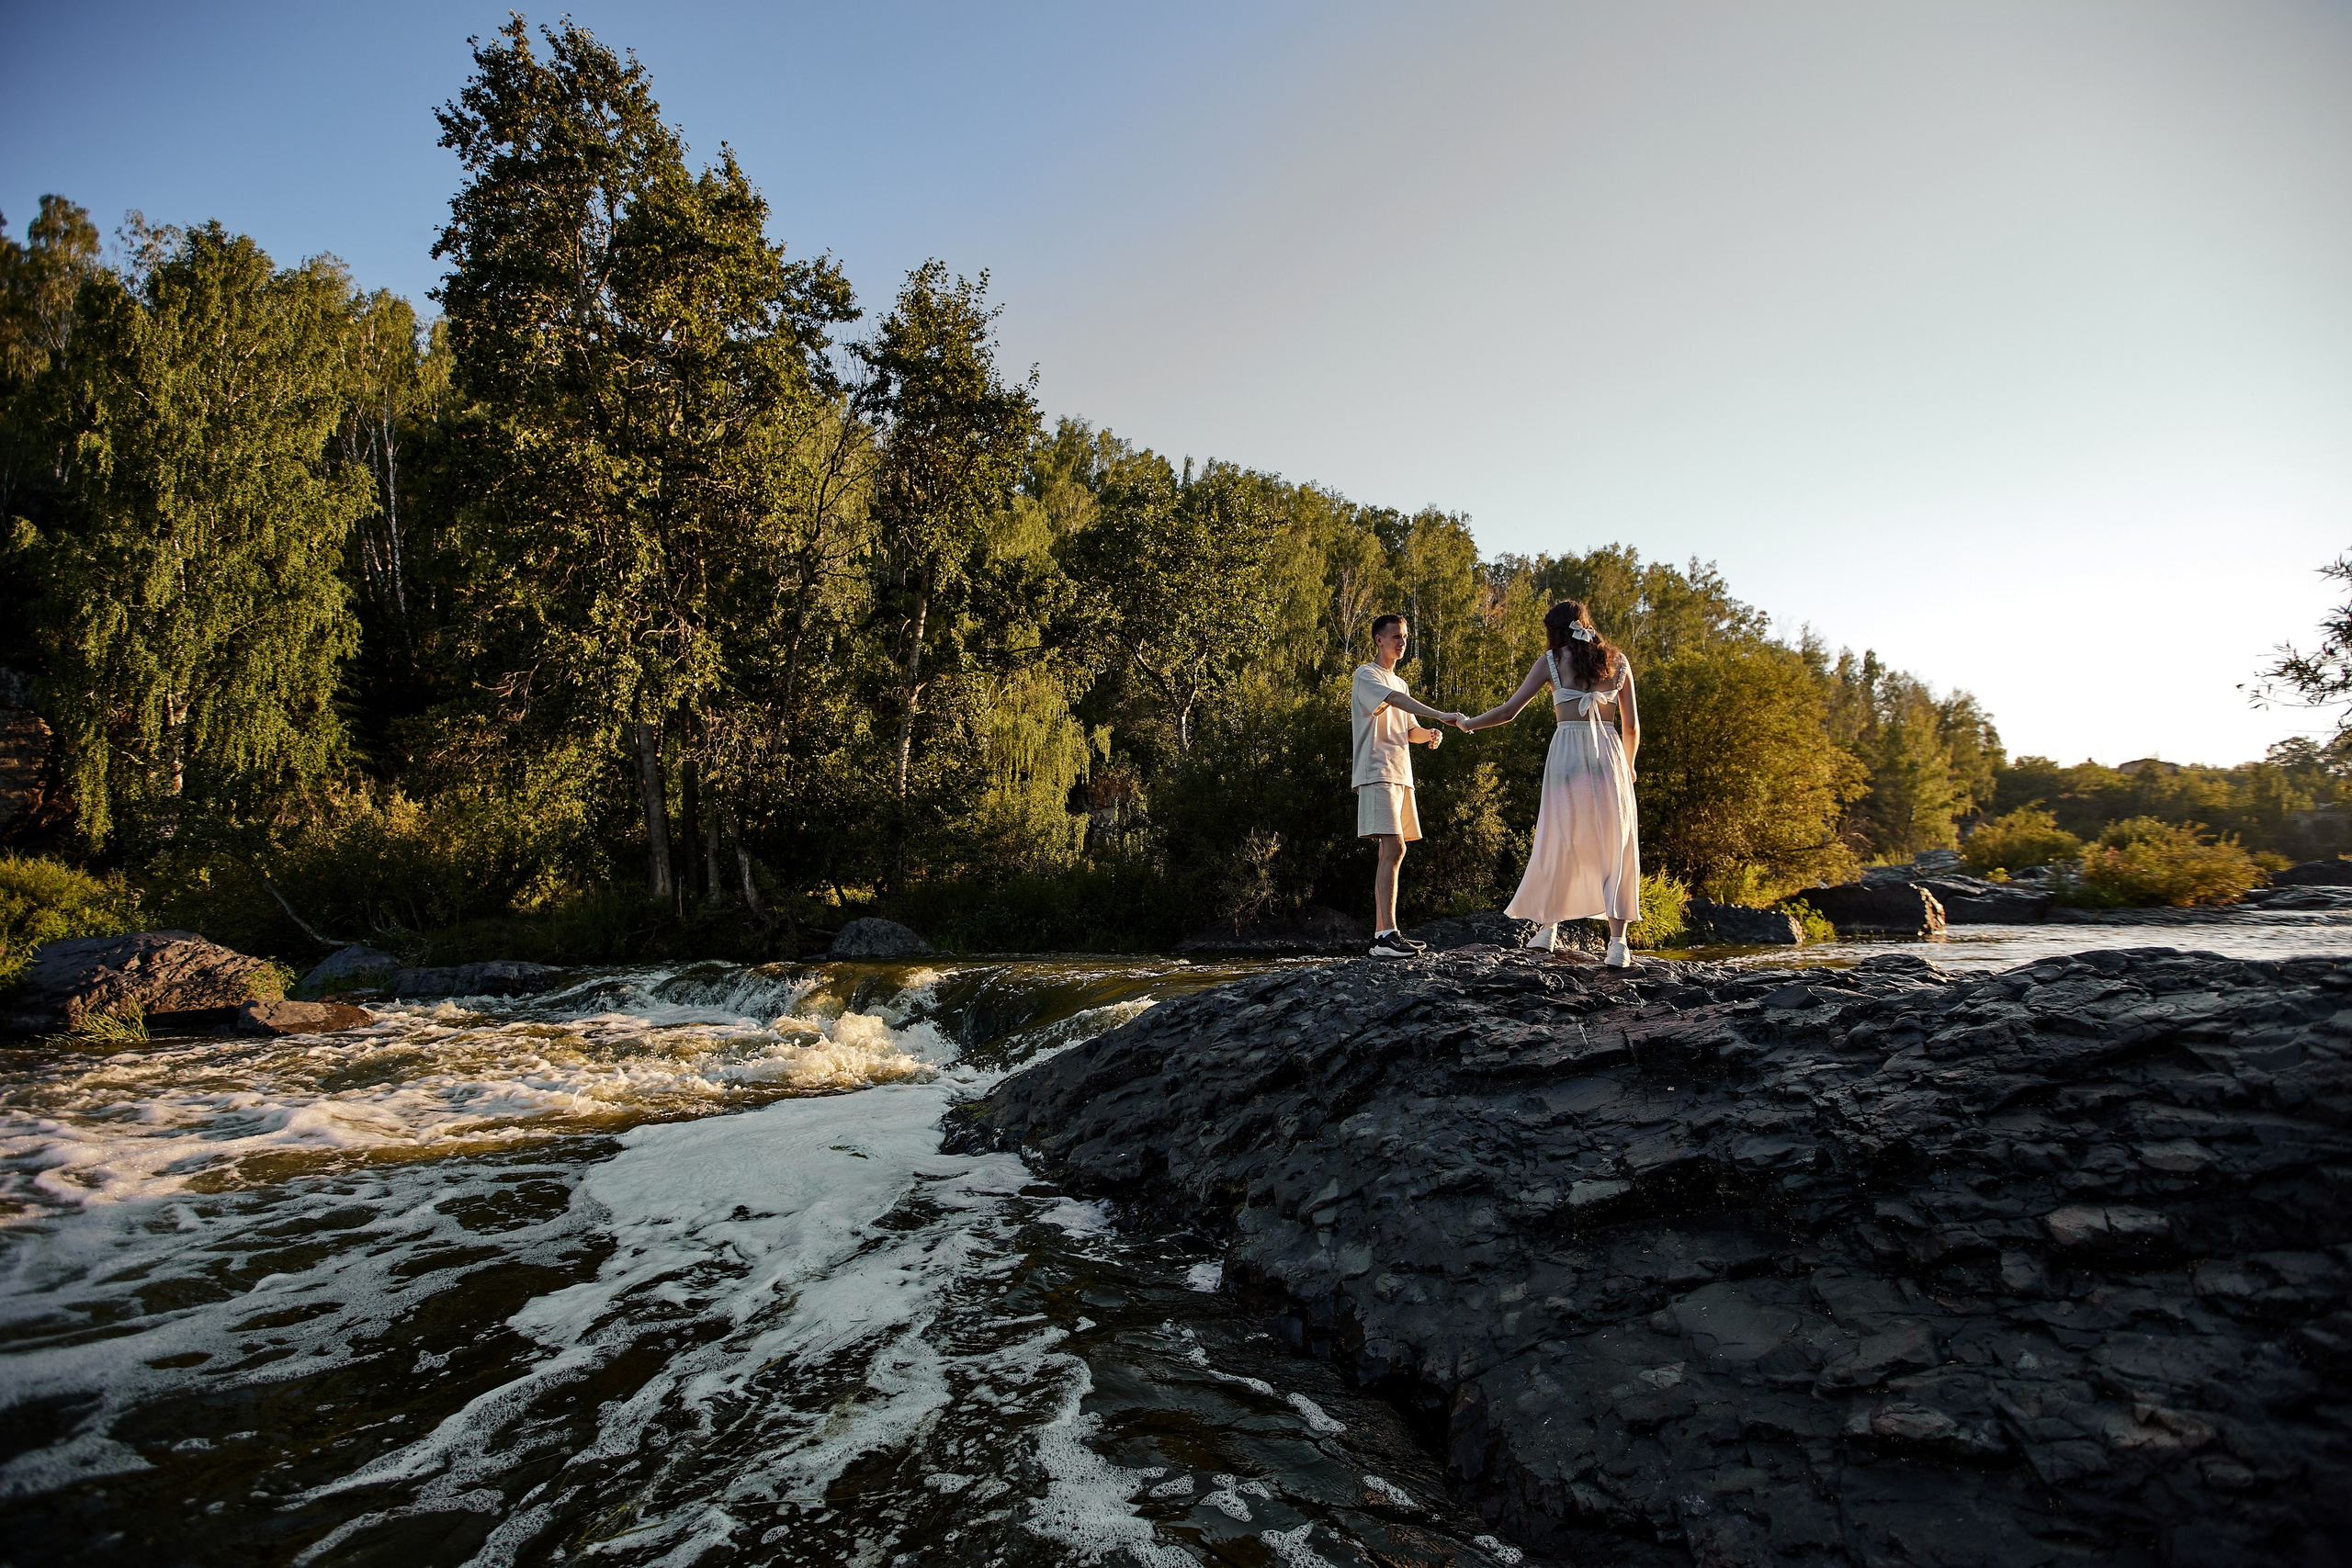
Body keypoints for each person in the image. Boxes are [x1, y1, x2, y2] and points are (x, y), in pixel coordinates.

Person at [1455, 600, 1642, 967]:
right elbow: (1631, 726)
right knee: (1615, 845)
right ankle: (1617, 944)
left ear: (1555, 630)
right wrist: (1630, 767)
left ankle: (1547, 929)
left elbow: (1509, 711)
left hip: (1567, 757)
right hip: (1609, 758)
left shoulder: (1553, 662)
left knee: (1560, 837)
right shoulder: (1618, 661)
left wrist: (1468, 723)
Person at [1351, 614, 1468, 959]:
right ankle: (1386, 936)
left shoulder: (1400, 683)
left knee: (1393, 850)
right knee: (1394, 848)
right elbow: (1396, 702)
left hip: (1401, 775)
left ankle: (1382, 936)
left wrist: (1429, 734)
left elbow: (1408, 730)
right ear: (1379, 640)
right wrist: (1441, 714)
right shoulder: (1367, 675)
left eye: (1404, 637)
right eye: (1395, 637)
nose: (1402, 642)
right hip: (1377, 770)